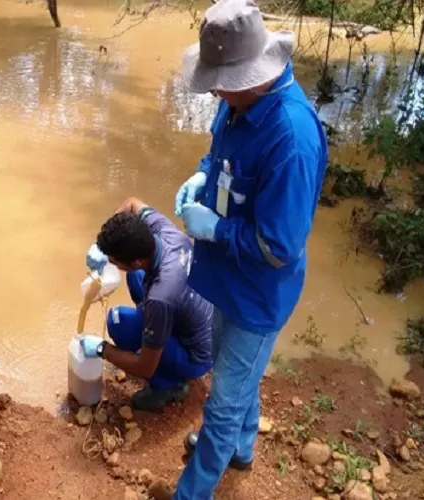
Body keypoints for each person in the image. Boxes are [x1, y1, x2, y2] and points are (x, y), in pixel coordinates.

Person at [170, 0, 329, 498]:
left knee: (222, 400)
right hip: (227, 275)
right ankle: (241, 449)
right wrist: (203, 173)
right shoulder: (238, 100)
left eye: (222, 81)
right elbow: (221, 154)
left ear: (251, 73)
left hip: (259, 290)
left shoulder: (291, 138)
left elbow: (279, 247)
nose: (215, 90)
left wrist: (215, 229)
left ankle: (192, 491)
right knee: (236, 370)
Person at [79, 197, 214, 411]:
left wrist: (101, 349)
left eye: (113, 261)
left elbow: (145, 367)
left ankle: (168, 386)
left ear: (135, 261)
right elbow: (132, 203)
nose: (111, 263)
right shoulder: (165, 233)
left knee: (118, 321)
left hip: (197, 357)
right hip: (198, 319)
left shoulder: (160, 298)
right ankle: (155, 337)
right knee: (136, 277)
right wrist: (100, 246)